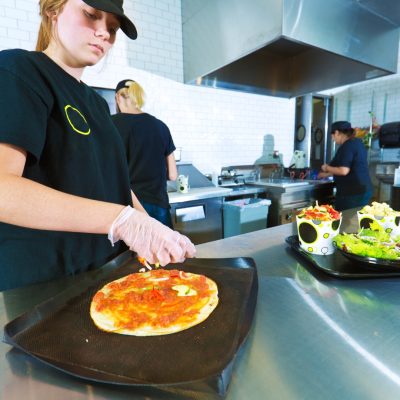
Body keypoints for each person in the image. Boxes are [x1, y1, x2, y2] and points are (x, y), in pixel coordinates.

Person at [0, 0, 195, 291]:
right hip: (45, 287)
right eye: (91, 15)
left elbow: (112, 182)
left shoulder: (97, 104)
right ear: (53, 11)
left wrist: (147, 224)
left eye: (113, 27)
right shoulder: (19, 71)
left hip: (106, 276)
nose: (104, 33)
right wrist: (122, 220)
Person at [112, 80, 177, 228]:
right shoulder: (161, 126)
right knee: (162, 249)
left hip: (127, 207)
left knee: (132, 251)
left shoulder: (110, 124)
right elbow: (173, 175)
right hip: (159, 205)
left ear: (117, 97)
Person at [318, 121, 372, 211]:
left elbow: (343, 170)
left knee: (345, 221)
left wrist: (326, 167)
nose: (333, 139)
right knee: (356, 220)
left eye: (332, 136)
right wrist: (325, 175)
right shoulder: (358, 143)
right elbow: (350, 168)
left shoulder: (347, 146)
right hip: (363, 189)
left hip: (352, 193)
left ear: (337, 132)